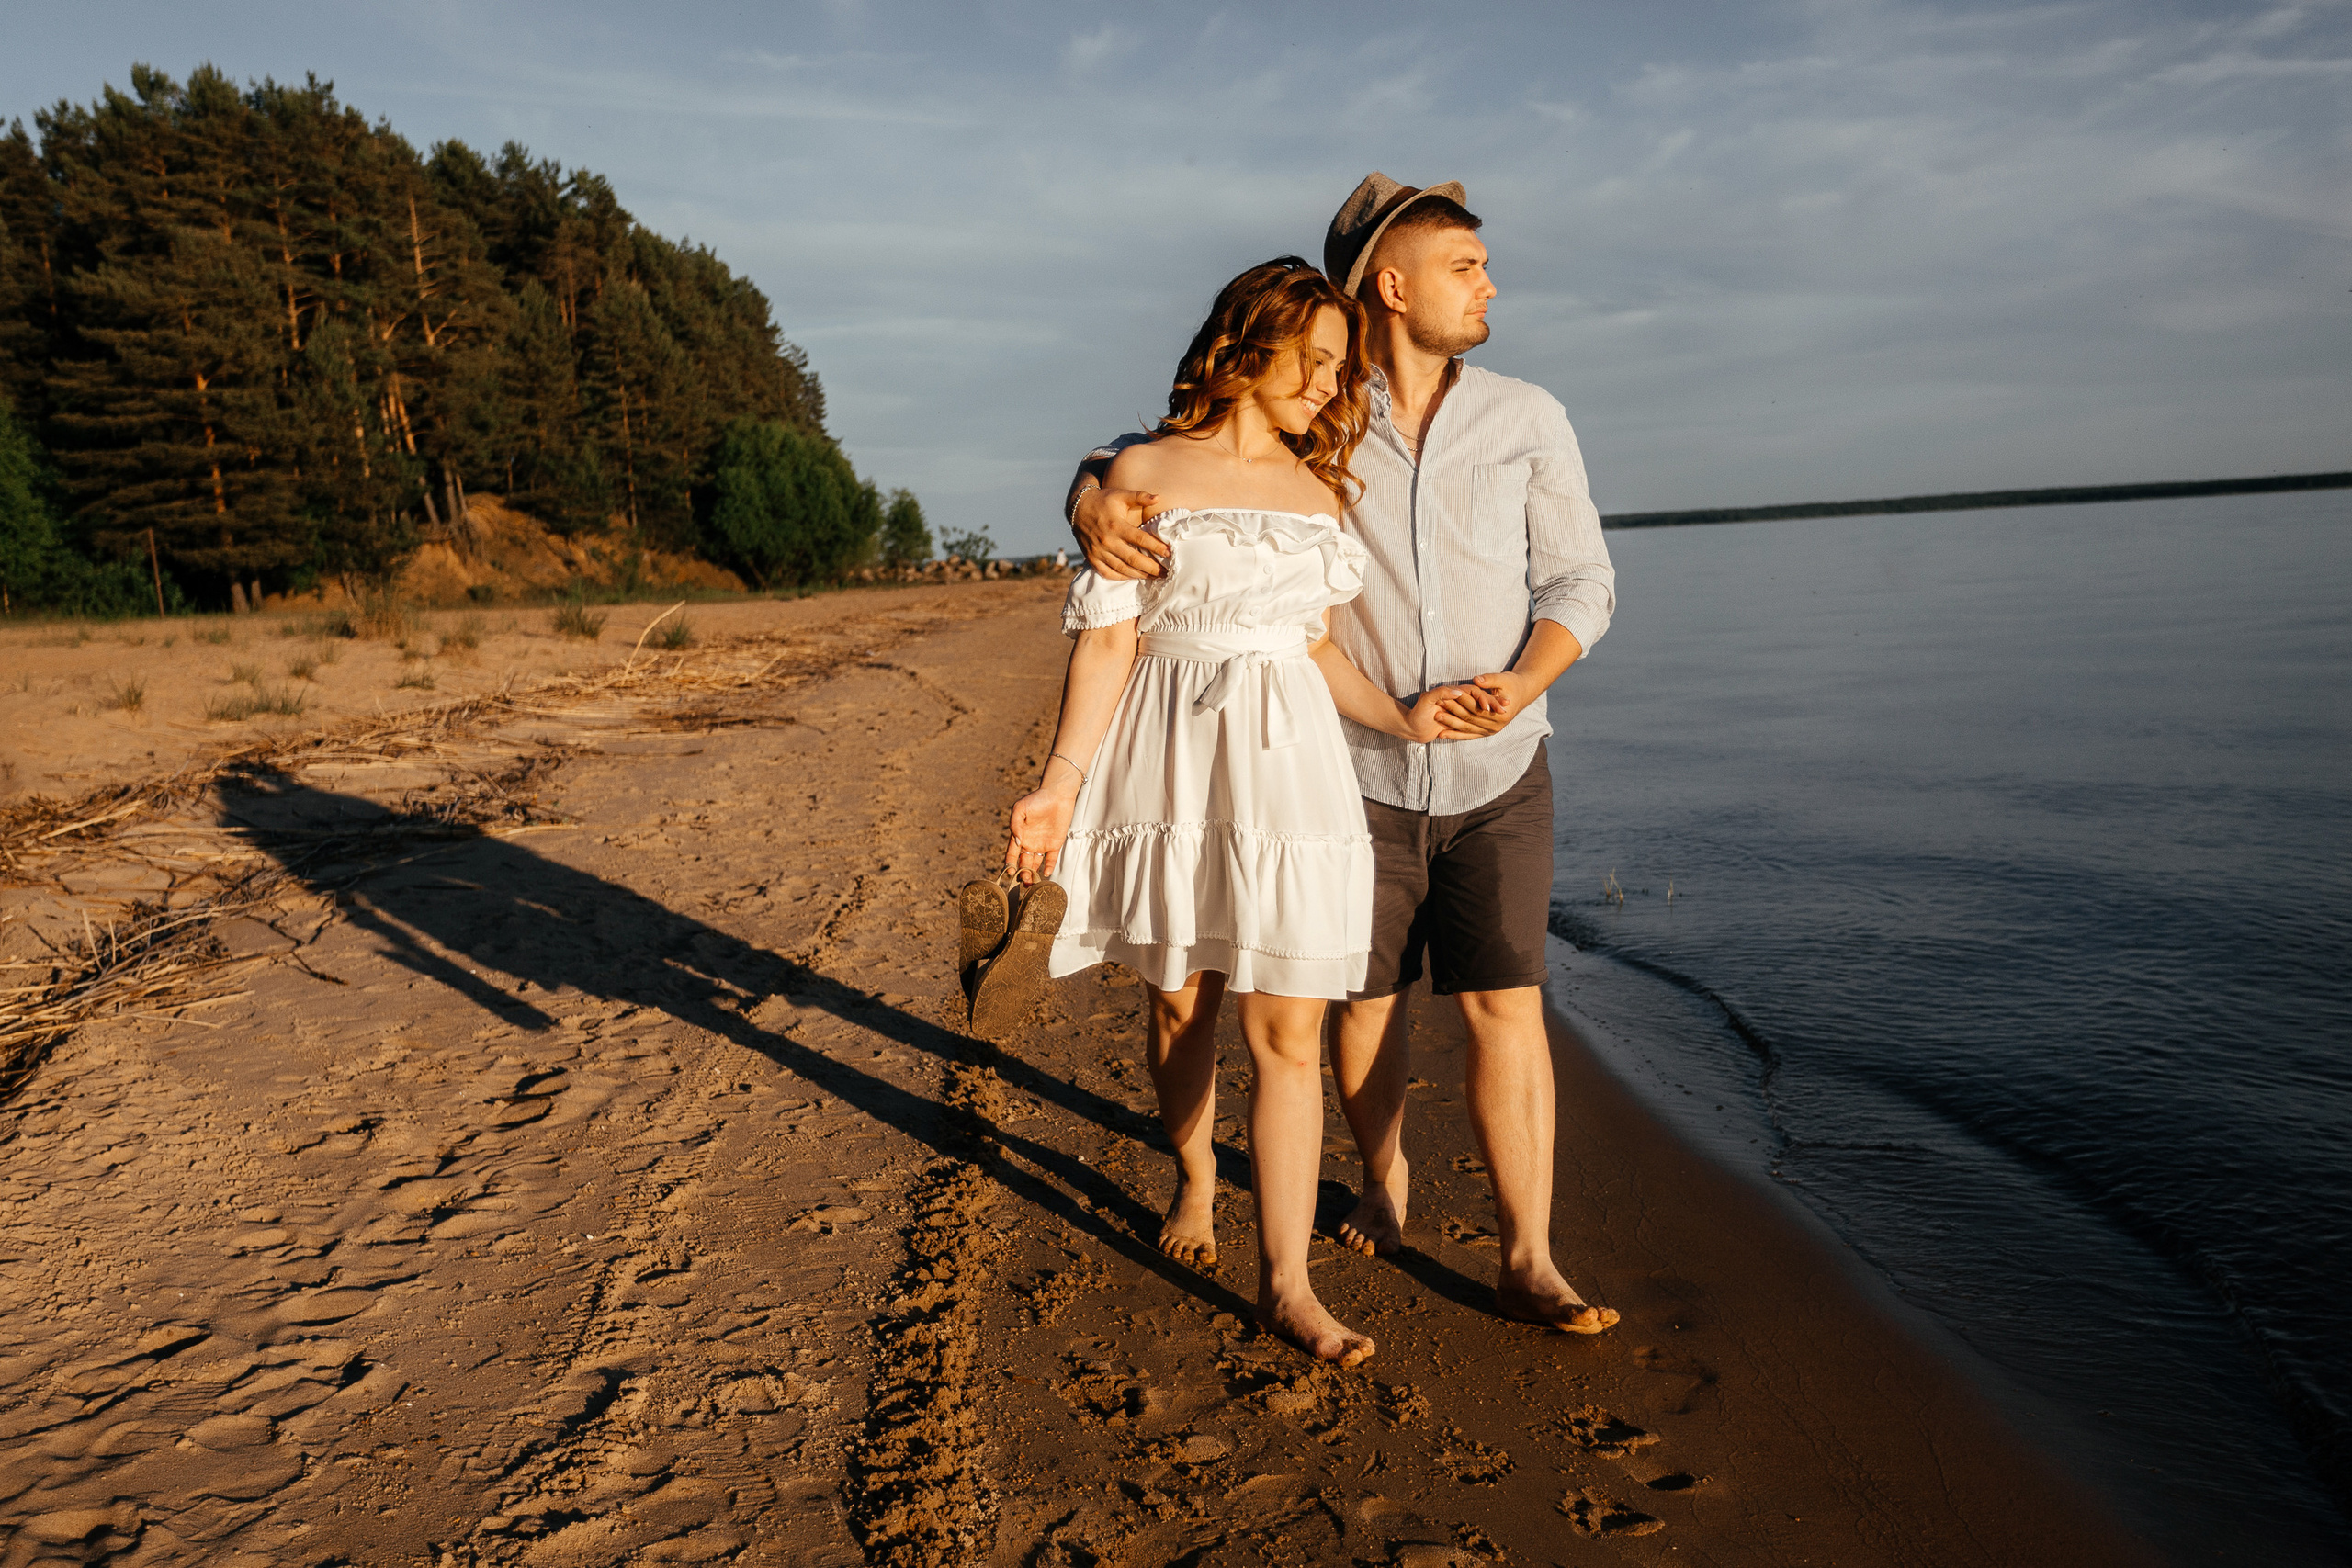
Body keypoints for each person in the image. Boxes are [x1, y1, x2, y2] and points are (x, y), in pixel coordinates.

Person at [1064, 175, 1622, 1335]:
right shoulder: (1319, 408)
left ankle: (1527, 1257)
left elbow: (1582, 581)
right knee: (1347, 1005)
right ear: (1392, 280)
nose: (1490, 283)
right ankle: (1375, 1180)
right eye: (1466, 264)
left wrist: (1521, 685)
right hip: (1341, 766)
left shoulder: (1527, 416)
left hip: (1494, 762)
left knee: (1502, 1000)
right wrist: (1086, 491)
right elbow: (1166, 451)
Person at [996, 257, 1487, 1367]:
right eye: (1311, 359)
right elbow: (1110, 638)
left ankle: (1287, 1285)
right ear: (1245, 345)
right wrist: (1058, 784)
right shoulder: (1141, 473)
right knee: (1181, 1008)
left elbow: (1314, 646)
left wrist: (1402, 719)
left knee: (1288, 1031)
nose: (1328, 383)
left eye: (1339, 366)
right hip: (1169, 756)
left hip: (1293, 772)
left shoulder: (1323, 492)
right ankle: (1194, 1179)